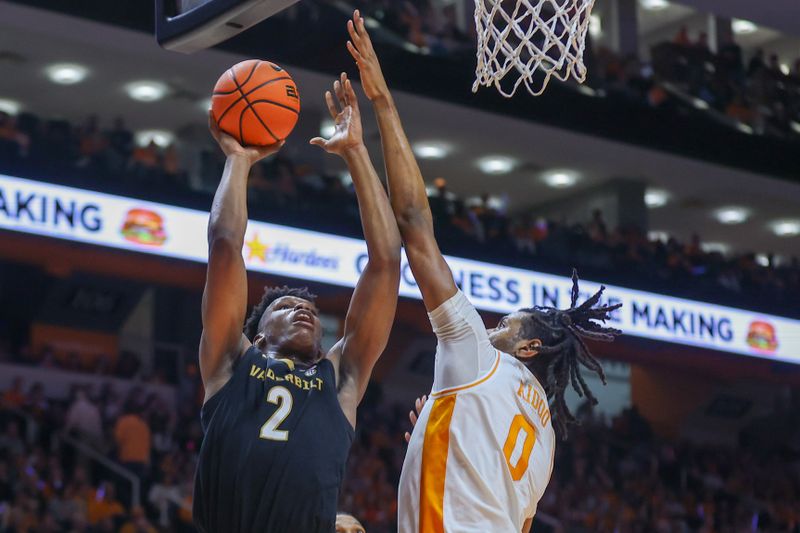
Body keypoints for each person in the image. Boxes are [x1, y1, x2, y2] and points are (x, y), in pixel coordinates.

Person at [344, 11, 622, 532]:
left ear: (529, 348)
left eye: (503, 326)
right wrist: (437, 438)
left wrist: (382, 99)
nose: (489, 326)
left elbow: (414, 223)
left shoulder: (477, 357)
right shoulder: (546, 441)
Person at [193, 73, 402, 533]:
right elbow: (225, 244)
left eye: (310, 311)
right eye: (285, 307)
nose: (304, 310)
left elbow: (386, 261)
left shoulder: (341, 379)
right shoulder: (230, 362)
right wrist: (238, 161)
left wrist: (356, 152)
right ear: (259, 333)